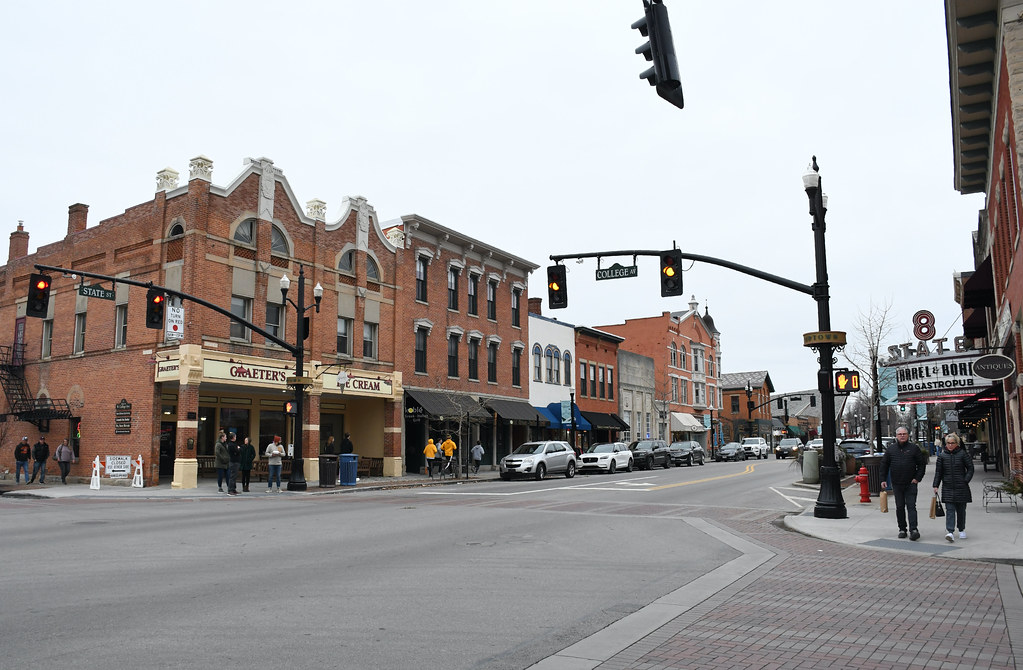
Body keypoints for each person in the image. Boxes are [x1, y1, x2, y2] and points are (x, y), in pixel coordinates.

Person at [880, 427, 927, 541]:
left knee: (911, 506)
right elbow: (884, 465)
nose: (902, 436)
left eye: (904, 434)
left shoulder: (914, 448)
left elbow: (921, 464)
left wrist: (917, 478)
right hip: (897, 483)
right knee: (900, 507)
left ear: (908, 435)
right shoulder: (891, 449)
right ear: (896, 436)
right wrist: (883, 479)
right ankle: (902, 529)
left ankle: (914, 530)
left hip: (911, 483)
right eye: (900, 434)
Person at [933, 432, 974, 542]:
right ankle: (950, 531)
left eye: (952, 443)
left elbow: (970, 468)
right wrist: (936, 485)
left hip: (961, 486)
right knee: (950, 510)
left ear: (957, 443)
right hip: (948, 486)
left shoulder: (963, 454)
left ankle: (961, 529)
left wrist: (966, 480)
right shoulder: (942, 456)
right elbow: (938, 472)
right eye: (948, 443)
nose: (950, 445)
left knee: (961, 510)